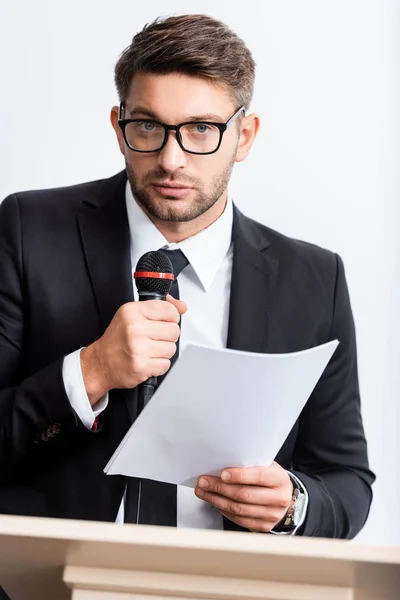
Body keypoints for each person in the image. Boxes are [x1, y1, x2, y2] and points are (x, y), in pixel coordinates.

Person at [0, 13, 374, 537]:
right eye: (148, 125)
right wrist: (91, 372)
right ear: (118, 126)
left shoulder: (314, 279)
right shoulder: (29, 231)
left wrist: (293, 505)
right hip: (57, 580)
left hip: (226, 585)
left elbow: (349, 480)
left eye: (202, 128)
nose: (171, 159)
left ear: (244, 136)